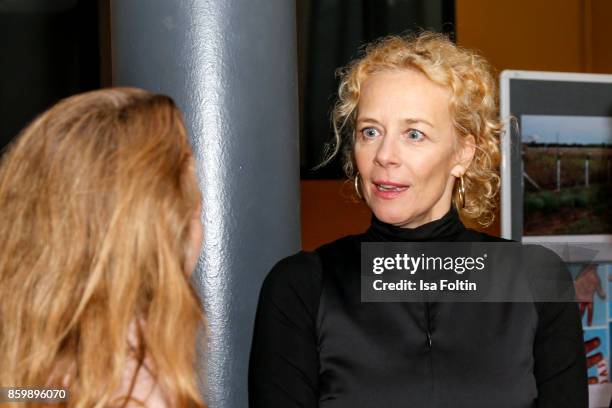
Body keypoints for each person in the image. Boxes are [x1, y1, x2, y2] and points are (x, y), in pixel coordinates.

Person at [249, 32, 587, 407]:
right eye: (370, 131)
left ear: (462, 152)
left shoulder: (537, 280)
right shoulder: (302, 287)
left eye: (414, 134)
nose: (385, 155)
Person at [0, 88, 206, 407]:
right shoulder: (141, 390)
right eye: (189, 194)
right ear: (161, 228)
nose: (199, 212)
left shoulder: (30, 371)